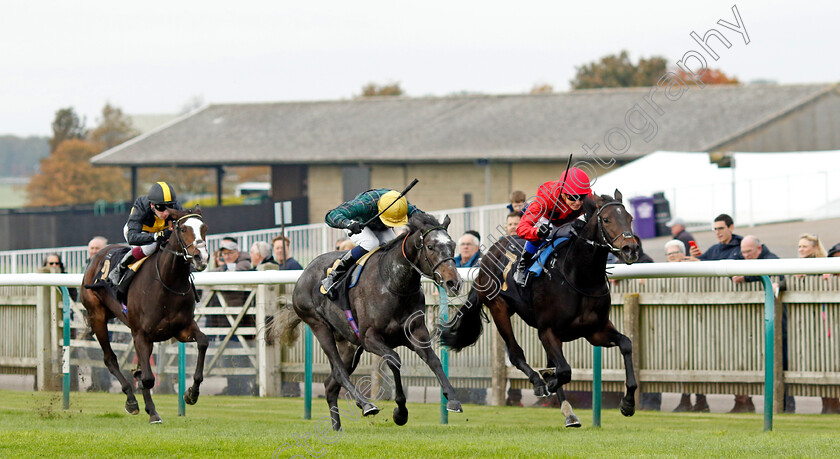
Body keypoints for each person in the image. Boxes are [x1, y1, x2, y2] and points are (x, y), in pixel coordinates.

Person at [321, 189, 421, 300]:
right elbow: (331, 215)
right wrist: (349, 224)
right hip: (358, 225)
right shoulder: (365, 204)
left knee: (393, 246)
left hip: (378, 225)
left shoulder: (401, 204)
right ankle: (334, 275)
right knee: (371, 243)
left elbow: (423, 218)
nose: (393, 226)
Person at [514, 167, 591, 287]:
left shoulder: (587, 195)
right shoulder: (544, 198)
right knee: (543, 231)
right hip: (546, 222)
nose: (578, 202)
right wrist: (537, 232)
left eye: (581, 197)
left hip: (567, 222)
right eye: (573, 197)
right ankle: (522, 265)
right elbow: (521, 228)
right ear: (563, 194)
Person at [107, 181, 182, 287]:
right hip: (139, 232)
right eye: (161, 208)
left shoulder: (176, 206)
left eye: (169, 207)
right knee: (150, 247)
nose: (166, 212)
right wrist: (157, 236)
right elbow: (132, 237)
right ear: (152, 205)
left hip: (161, 231)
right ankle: (119, 268)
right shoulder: (141, 205)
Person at [797, 234, 840, 414]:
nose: (800, 249)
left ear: (815, 248)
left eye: (804, 246)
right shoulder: (807, 270)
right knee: (826, 360)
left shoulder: (823, 269)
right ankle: (829, 403)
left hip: (830, 322)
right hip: (821, 323)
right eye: (799, 246)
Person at [666, 240, 711, 413]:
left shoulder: (693, 268)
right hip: (678, 324)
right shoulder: (665, 273)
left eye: (675, 253)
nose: (672, 257)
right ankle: (685, 399)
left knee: (698, 360)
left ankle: (701, 400)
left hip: (698, 321)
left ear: (683, 253)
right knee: (683, 360)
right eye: (669, 255)